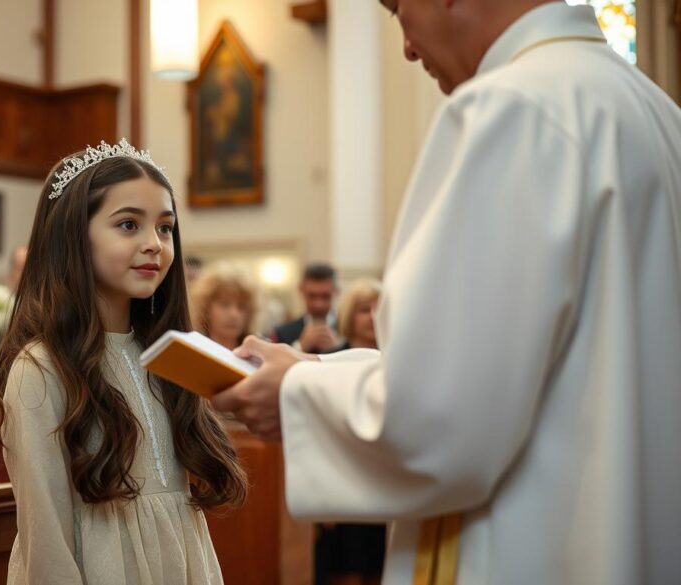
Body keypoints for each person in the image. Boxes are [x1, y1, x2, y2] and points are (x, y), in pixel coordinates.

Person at [211, 1, 681, 583]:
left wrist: (295, 394)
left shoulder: (512, 107)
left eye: (398, 8)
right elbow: (527, 374)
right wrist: (312, 370)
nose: (407, 45)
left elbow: (439, 423)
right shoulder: (655, 111)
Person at [0, 140, 247, 584]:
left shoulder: (171, 356)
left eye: (165, 228)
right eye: (129, 225)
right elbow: (45, 536)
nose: (153, 244)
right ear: (74, 234)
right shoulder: (42, 368)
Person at [315, 278, 384, 585]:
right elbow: (320, 430)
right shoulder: (328, 362)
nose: (373, 316)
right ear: (348, 315)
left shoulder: (401, 361)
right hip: (342, 481)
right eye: (364, 310)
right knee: (344, 569)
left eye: (380, 309)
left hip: (385, 481)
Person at [270, 263, 341, 353]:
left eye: (326, 296)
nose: (318, 304)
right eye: (312, 296)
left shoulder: (350, 330)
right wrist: (300, 347)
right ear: (301, 290)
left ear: (337, 292)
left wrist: (339, 349)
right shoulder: (283, 333)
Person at [189, 262, 258, 349]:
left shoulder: (258, 356)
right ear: (206, 307)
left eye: (242, 306)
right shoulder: (192, 349)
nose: (234, 314)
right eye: (224, 304)